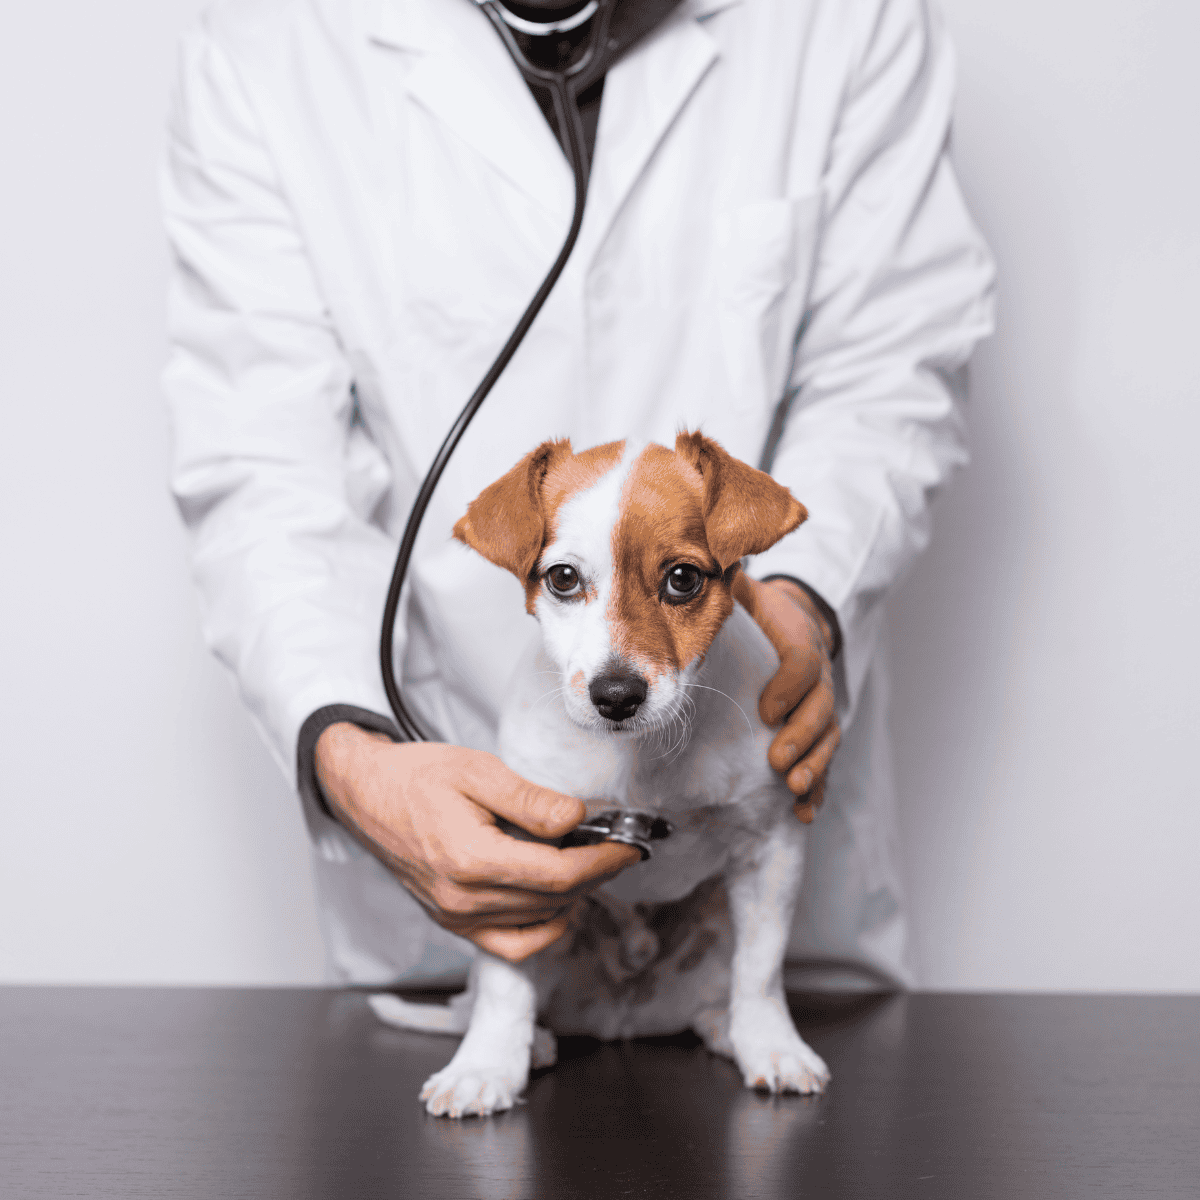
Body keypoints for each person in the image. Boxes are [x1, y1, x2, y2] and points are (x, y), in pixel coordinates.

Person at [163, 0, 994, 989]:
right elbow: (262, 464)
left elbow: (889, 369)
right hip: (454, 880)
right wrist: (350, 756)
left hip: (754, 888)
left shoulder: (845, 19)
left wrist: (808, 598)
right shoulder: (271, 39)